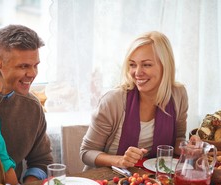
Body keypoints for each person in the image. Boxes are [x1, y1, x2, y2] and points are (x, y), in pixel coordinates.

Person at [80, 31, 188, 169]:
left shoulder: (179, 95)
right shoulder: (113, 101)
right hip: (108, 180)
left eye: (147, 65)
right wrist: (119, 161)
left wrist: (188, 148)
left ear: (165, 66)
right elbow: (86, 152)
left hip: (152, 180)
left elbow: (179, 138)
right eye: (132, 65)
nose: (137, 72)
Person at [0, 25, 53, 183]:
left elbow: (41, 161)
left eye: (35, 65)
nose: (32, 74)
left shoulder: (32, 107)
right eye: (23, 66)